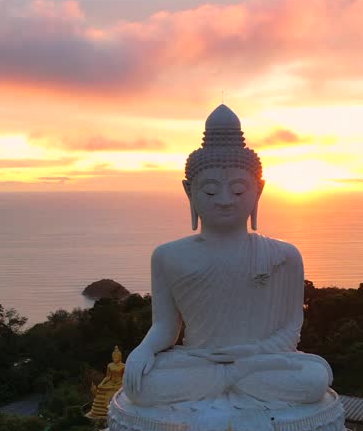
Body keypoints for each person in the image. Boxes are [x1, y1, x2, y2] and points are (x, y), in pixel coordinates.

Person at [121, 104, 332, 409]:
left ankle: (230, 381)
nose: (223, 201)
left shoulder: (285, 256)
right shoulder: (167, 256)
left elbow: (291, 327)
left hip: (260, 363)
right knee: (142, 386)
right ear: (188, 191)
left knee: (312, 378)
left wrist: (252, 354)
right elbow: (167, 327)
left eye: (237, 190)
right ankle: (230, 383)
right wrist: (143, 350)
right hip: (199, 362)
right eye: (209, 191)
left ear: (258, 191)